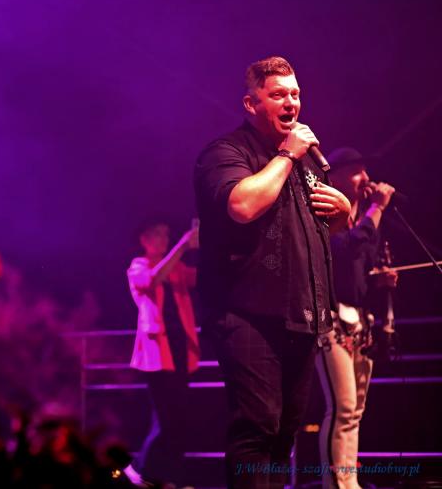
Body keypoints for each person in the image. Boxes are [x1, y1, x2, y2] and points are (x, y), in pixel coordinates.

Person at [193, 56, 351, 488]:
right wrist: (286, 154)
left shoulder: (304, 162)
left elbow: (312, 232)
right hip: (246, 315)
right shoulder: (225, 152)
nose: (291, 103)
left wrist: (343, 214)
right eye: (278, 95)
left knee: (284, 434)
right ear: (251, 103)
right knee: (257, 428)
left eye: (295, 94)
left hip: (300, 318)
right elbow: (243, 206)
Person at [315, 147, 398, 489]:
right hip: (331, 318)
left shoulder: (362, 218)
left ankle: (350, 482)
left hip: (359, 318)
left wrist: (380, 279)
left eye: (365, 170)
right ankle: (335, 484)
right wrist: (377, 209)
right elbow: (345, 248)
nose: (365, 178)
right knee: (342, 406)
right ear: (334, 176)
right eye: (356, 171)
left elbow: (360, 264)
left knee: (356, 410)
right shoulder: (324, 210)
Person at [124, 220, 200, 488]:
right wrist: (183, 246)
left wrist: (205, 244)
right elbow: (154, 278)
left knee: (178, 418)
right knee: (166, 418)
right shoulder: (138, 266)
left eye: (167, 235)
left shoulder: (176, 267)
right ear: (144, 239)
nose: (164, 238)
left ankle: (167, 477)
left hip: (180, 350)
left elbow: (200, 277)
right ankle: (141, 469)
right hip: (156, 354)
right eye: (158, 234)